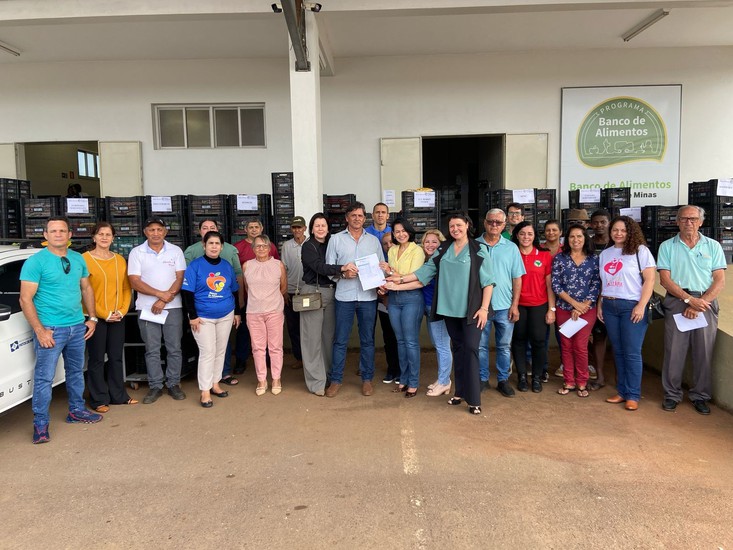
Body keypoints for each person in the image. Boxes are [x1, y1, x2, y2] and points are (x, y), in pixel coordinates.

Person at [384, 213, 494, 415]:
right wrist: (398, 281)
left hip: (473, 311)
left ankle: (474, 399)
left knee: (471, 349)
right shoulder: (443, 249)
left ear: (467, 225)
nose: (455, 229)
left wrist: (484, 308)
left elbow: (488, 282)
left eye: (459, 225)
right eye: (452, 226)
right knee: (458, 349)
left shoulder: (478, 249)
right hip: (449, 310)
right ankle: (459, 393)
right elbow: (424, 273)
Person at [19, 216, 102, 444]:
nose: (58, 234)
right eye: (53, 231)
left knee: (75, 372)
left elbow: (86, 288)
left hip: (76, 326)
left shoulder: (77, 258)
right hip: (51, 329)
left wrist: (92, 318)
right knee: (44, 378)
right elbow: (25, 299)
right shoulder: (36, 262)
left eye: (62, 230)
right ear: (45, 235)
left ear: (69, 235)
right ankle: (40, 424)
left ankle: (76, 411)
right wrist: (40, 330)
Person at [657, 205, 726, 415]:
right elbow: (665, 280)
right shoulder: (667, 246)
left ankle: (700, 396)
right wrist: (688, 300)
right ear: (677, 221)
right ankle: (672, 394)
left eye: (693, 219)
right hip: (678, 301)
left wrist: (700, 303)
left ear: (701, 222)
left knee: (703, 352)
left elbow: (720, 280)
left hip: (705, 303)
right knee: (674, 351)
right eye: (684, 218)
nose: (689, 222)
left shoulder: (713, 246)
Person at [325, 202, 383, 398]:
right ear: (347, 218)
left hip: (368, 297)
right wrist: (343, 274)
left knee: (367, 340)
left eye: (360, 215)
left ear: (364, 218)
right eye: (353, 215)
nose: (357, 219)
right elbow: (329, 268)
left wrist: (381, 279)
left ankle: (367, 379)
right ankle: (336, 380)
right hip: (345, 297)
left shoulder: (373, 241)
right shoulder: (336, 240)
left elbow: (380, 267)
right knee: (340, 340)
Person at [598, 216, 656, 411]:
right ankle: (622, 391)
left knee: (631, 352)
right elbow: (603, 282)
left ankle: (632, 395)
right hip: (609, 306)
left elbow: (649, 280)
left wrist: (641, 305)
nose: (619, 233)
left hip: (631, 306)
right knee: (618, 350)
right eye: (615, 230)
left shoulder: (641, 251)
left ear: (630, 231)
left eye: (623, 230)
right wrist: (600, 304)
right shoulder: (605, 254)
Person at [127, 217, 187, 404]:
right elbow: (134, 281)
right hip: (147, 308)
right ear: (145, 232)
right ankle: (155, 386)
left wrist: (163, 300)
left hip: (173, 307)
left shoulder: (175, 251)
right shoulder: (137, 252)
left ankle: (173, 383)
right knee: (151, 349)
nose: (155, 233)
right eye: (151, 229)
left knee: (174, 348)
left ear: (165, 232)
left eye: (159, 229)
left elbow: (180, 278)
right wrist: (159, 294)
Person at [182, 231, 242, 408]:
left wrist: (237, 312)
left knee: (220, 350)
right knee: (208, 352)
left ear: (222, 247)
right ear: (204, 246)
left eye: (217, 243)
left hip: (226, 314)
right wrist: (192, 316)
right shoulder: (195, 266)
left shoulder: (226, 266)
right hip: (202, 317)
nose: (214, 246)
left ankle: (215, 384)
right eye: (211, 243)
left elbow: (234, 290)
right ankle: (205, 391)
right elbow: (187, 293)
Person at [299, 213, 357, 396]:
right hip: (312, 292)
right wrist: (342, 268)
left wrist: (345, 270)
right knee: (312, 340)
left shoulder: (333, 243)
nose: (320, 228)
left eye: (323, 225)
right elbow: (319, 267)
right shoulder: (308, 246)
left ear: (328, 228)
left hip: (332, 292)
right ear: (311, 228)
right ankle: (316, 382)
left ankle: (328, 376)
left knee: (328, 338)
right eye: (317, 225)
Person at [82, 222, 137, 413]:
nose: (104, 237)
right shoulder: (84, 259)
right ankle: (98, 399)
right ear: (94, 237)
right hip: (94, 317)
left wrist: (121, 311)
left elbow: (126, 288)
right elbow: (83, 291)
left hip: (117, 317)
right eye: (100, 234)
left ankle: (119, 396)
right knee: (97, 359)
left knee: (115, 357)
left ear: (113, 238)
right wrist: (103, 314)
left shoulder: (120, 260)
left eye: (108, 234)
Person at [476, 208, 525, 397]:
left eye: (498, 222)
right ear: (485, 223)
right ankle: (482, 379)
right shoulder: (474, 245)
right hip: (481, 306)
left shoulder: (511, 248)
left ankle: (503, 380)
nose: (494, 225)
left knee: (504, 346)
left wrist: (515, 305)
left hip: (505, 306)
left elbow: (517, 278)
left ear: (504, 225)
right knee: (481, 346)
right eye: (490, 221)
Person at [552, 223, 600, 398]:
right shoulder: (560, 258)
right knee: (566, 345)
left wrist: (582, 307)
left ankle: (581, 381)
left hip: (587, 310)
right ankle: (569, 381)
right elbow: (556, 285)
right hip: (564, 308)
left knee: (580, 346)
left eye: (579, 236)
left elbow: (596, 284)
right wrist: (574, 304)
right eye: (572, 236)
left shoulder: (594, 259)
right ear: (567, 239)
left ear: (585, 238)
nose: (576, 239)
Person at [378, 219, 425, 397]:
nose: (400, 234)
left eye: (403, 231)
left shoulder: (417, 250)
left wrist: (390, 272)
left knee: (411, 341)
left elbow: (412, 278)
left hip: (411, 298)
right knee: (400, 341)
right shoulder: (392, 250)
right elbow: (393, 278)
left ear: (410, 232)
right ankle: (403, 379)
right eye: (397, 231)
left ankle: (413, 382)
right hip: (394, 299)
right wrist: (385, 284)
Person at [510, 221, 555, 393]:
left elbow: (549, 285)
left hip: (539, 304)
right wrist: (512, 306)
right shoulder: (512, 254)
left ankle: (536, 377)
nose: (526, 237)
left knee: (539, 341)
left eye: (530, 233)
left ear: (535, 236)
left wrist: (551, 309)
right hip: (518, 305)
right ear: (517, 235)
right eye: (522, 233)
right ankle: (522, 376)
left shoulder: (544, 255)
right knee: (518, 340)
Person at [242, 234, 287, 396]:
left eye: (264, 246)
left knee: (275, 347)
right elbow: (247, 288)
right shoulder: (247, 266)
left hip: (274, 311)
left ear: (270, 248)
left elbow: (283, 287)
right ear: (253, 249)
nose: (261, 249)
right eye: (258, 246)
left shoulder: (278, 265)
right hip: (254, 312)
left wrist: (270, 300)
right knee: (257, 348)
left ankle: (276, 378)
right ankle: (261, 379)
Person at [233, 218, 280, 375]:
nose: (254, 229)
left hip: (269, 301)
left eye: (256, 227)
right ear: (245, 230)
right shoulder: (238, 247)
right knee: (244, 332)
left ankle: (268, 360)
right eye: (250, 227)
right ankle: (241, 360)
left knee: (269, 334)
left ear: (261, 229)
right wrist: (241, 298)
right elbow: (239, 276)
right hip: (248, 299)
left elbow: (277, 273)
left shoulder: (270, 246)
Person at [366, 203, 399, 384]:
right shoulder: (366, 234)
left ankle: (396, 368)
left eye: (383, 212)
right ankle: (366, 366)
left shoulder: (395, 233)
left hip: (392, 287)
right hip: (371, 288)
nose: (380, 215)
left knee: (392, 333)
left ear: (388, 215)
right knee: (367, 331)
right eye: (377, 212)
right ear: (372, 215)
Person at [419, 229, 453, 397]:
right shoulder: (424, 261)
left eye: (434, 242)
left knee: (442, 345)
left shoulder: (442, 261)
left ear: (441, 244)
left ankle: (445, 382)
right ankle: (442, 379)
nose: (430, 245)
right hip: (428, 307)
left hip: (439, 309)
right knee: (438, 344)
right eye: (427, 241)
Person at [587, 208, 612, 389]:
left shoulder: (616, 244)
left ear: (609, 223)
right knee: (598, 337)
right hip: (591, 297)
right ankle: (599, 376)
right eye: (595, 222)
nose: (599, 226)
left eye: (603, 222)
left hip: (614, 295)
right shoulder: (587, 244)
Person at [281, 216, 306, 369]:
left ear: (305, 228)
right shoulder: (286, 246)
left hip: (307, 291)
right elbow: (283, 269)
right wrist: (284, 291)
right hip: (291, 291)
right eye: (294, 227)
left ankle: (309, 358)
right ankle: (299, 358)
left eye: (299, 227)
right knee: (293, 327)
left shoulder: (311, 243)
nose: (297, 230)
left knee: (307, 327)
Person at [377, 232, 401, 384]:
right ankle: (391, 369)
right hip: (384, 305)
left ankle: (402, 371)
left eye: (391, 242)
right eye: (385, 244)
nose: (388, 245)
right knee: (388, 338)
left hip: (401, 303)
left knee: (401, 338)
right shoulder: (379, 262)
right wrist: (383, 296)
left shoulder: (401, 259)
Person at [542, 219, 563, 382]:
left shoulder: (567, 250)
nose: (551, 233)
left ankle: (565, 364)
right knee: (542, 334)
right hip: (542, 296)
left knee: (563, 333)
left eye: (554, 230)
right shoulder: (538, 249)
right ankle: (542, 366)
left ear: (560, 232)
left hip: (564, 298)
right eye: (548, 230)